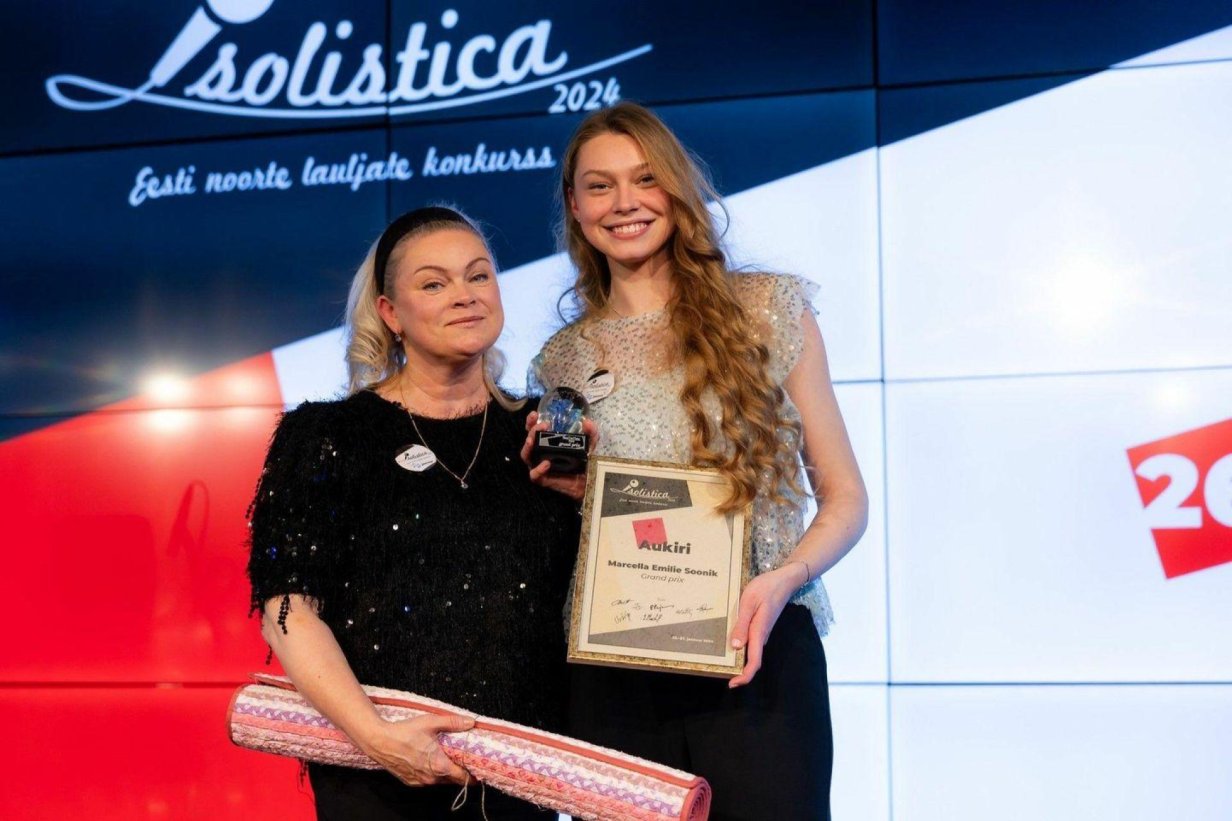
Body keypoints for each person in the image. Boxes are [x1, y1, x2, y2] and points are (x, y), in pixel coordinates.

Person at [529, 103, 869, 820]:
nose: (624, 202)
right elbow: (613, 516)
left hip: (756, 649)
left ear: (678, 187)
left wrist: (782, 581)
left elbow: (845, 497)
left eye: (645, 178)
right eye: (600, 186)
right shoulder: (562, 359)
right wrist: (578, 490)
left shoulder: (767, 309)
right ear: (574, 206)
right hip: (616, 666)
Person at [248, 206, 580, 820]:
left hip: (520, 779)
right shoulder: (326, 436)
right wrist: (378, 738)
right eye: (434, 283)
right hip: (376, 775)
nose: (465, 295)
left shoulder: (546, 431)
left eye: (478, 276)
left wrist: (594, 493)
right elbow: (287, 612)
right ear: (390, 313)